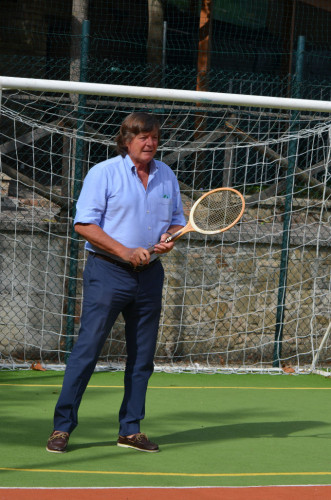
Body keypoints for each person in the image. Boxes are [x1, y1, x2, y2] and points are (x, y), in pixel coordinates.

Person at [46, 112, 185, 454]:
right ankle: (62, 428)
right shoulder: (103, 173)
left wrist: (169, 237)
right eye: (142, 137)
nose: (150, 143)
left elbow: (177, 224)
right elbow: (84, 225)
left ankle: (130, 430)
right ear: (126, 141)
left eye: (153, 137)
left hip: (150, 277)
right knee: (87, 351)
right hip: (107, 273)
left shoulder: (167, 176)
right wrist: (124, 252)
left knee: (142, 358)